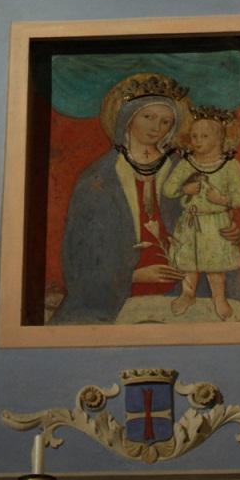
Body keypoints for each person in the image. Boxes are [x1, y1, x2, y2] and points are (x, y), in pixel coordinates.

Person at [50, 73, 190, 324]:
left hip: (181, 289)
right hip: (109, 301)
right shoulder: (98, 179)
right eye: (148, 117)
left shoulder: (183, 171)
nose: (156, 127)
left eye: (166, 121)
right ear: (128, 117)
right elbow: (79, 258)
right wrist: (132, 276)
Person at [162, 108, 240, 320]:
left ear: (219, 138)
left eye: (204, 136)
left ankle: (219, 298)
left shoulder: (230, 166)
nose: (197, 141)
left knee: (214, 264)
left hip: (215, 223)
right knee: (189, 262)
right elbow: (168, 190)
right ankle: (188, 294)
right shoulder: (186, 164)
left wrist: (222, 200)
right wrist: (185, 189)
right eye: (194, 136)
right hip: (190, 222)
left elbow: (239, 198)